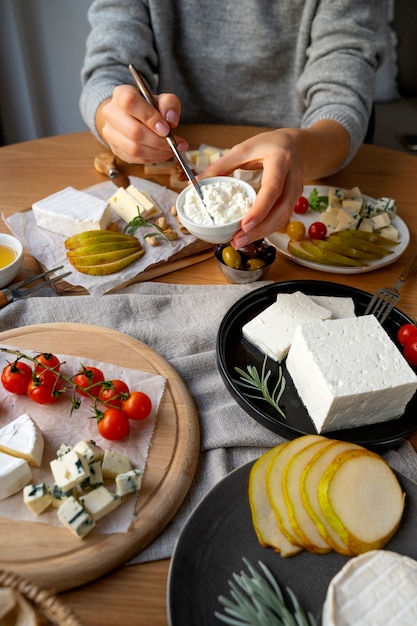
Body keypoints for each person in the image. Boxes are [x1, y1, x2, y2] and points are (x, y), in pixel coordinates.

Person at [80, 0, 384, 249]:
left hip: (305, 153)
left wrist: (299, 147)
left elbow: (342, 94)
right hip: (178, 146)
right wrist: (114, 112)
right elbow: (109, 66)